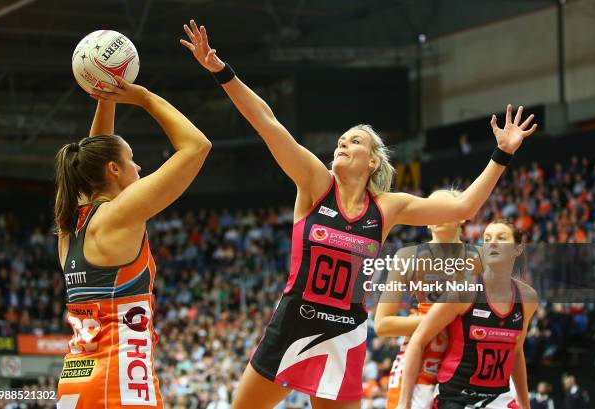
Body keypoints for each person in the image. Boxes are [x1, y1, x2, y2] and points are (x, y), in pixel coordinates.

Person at [180, 20, 537, 409]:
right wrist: (221, 71)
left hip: (343, 332)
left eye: (354, 141)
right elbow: (268, 123)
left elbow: (464, 206)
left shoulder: (386, 207)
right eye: (341, 140)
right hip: (295, 318)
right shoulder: (316, 183)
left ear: (372, 161)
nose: (342, 144)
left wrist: (502, 154)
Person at [55, 77, 212, 408]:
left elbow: (94, 154)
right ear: (114, 169)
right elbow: (197, 146)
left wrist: (107, 95)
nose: (139, 167)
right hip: (119, 385)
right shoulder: (118, 215)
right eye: (132, 159)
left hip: (75, 382)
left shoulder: (72, 224)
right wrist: (142, 97)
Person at [398, 220, 539, 409]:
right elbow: (418, 339)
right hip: (457, 396)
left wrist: (525, 403)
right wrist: (403, 403)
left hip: (499, 398)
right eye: (487, 239)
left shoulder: (527, 297)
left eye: (501, 238)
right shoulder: (464, 291)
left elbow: (516, 351)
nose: (492, 243)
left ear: (517, 249)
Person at [375, 189, 484, 409]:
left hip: (466, 365)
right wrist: (441, 319)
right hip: (421, 362)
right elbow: (383, 324)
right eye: (432, 210)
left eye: (445, 207)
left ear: (462, 215)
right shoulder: (407, 256)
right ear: (426, 220)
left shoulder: (482, 258)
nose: (439, 214)